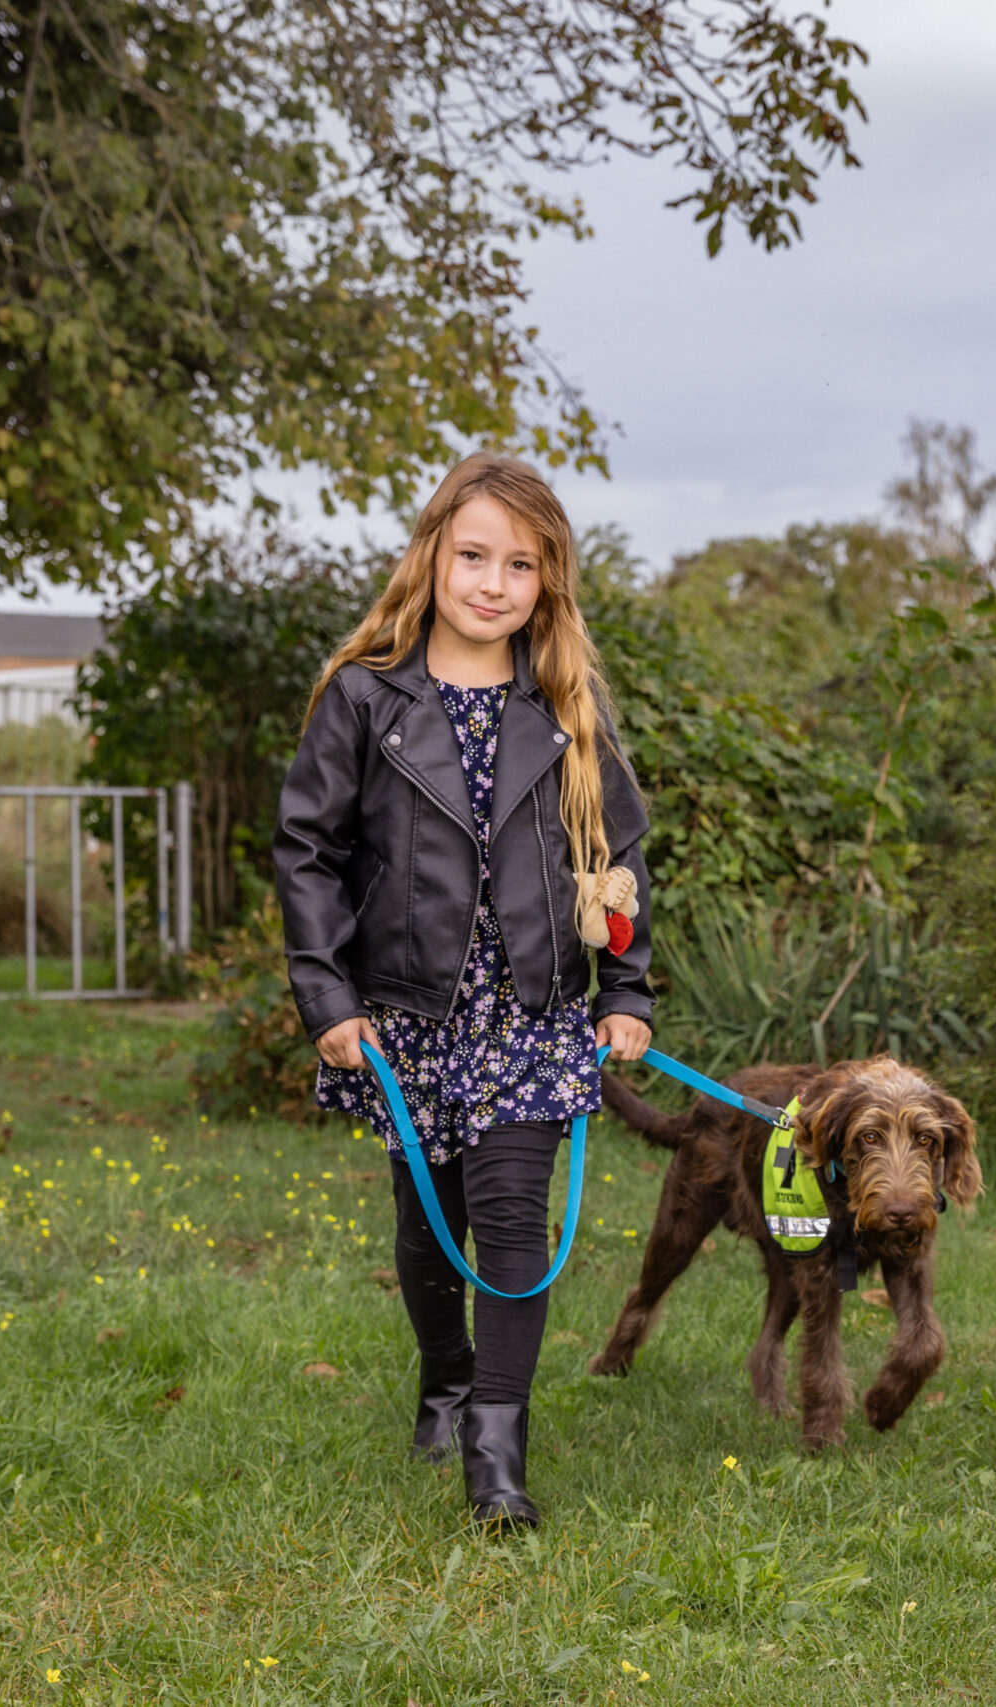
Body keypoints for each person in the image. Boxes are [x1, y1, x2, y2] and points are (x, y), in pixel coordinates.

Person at [275, 452, 655, 1529]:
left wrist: (622, 989)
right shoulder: (365, 697)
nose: (493, 583)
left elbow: (613, 864)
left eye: (520, 565)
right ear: (434, 554)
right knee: (428, 1221)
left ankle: (499, 1450)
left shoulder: (567, 711)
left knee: (512, 1228)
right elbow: (305, 851)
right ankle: (444, 1376)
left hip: (533, 1014)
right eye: (474, 554)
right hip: (409, 1011)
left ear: (549, 582)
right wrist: (326, 997)